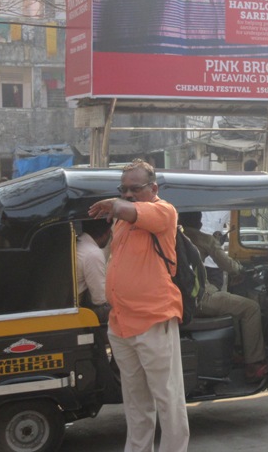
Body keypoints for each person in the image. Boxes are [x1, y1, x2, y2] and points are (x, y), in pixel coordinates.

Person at [88, 159, 189, 452]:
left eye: (136, 188)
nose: (129, 194)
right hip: (121, 324)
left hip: (154, 319)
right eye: (124, 189)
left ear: (153, 188)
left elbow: (125, 208)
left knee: (168, 399)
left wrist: (115, 203)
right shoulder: (121, 223)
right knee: (135, 403)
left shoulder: (163, 211)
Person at [178, 212, 268, 382]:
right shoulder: (203, 238)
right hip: (201, 299)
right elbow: (227, 264)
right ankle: (254, 363)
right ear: (198, 222)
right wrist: (240, 270)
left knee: (232, 304)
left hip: (180, 300)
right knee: (251, 308)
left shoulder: (172, 237)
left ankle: (235, 352)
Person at [76, 219, 112, 323]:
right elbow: (100, 299)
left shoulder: (79, 243)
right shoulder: (92, 253)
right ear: (107, 232)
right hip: (76, 309)